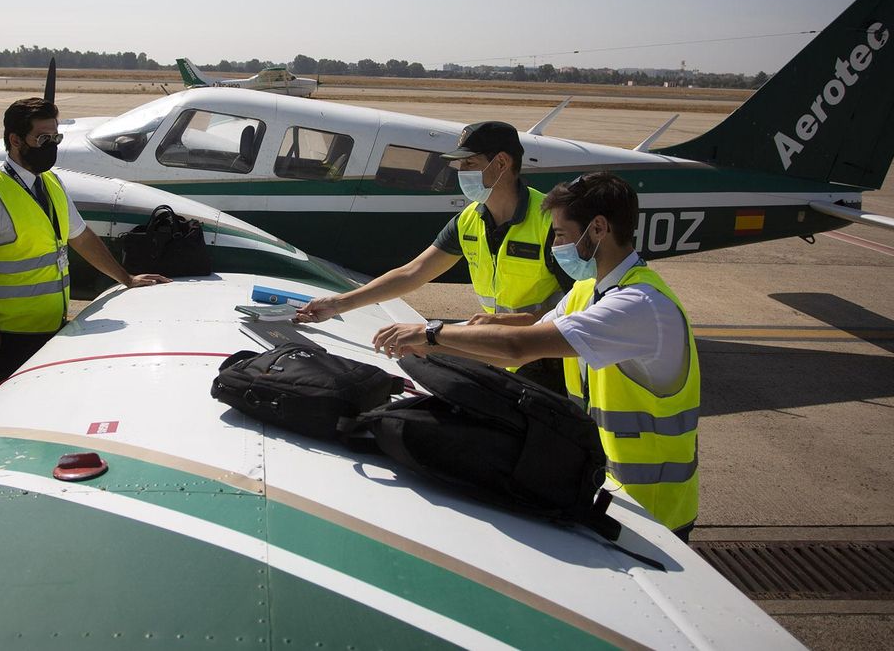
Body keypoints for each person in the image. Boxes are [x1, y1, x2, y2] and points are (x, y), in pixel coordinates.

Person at [371, 172, 700, 541]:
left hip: (655, 509)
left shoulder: (639, 305)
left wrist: (431, 333)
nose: (556, 245)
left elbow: (519, 346)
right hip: (607, 494)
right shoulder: (588, 292)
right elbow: (512, 349)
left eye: (560, 235)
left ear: (598, 229)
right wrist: (432, 348)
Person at [296, 121, 567, 365]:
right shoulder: (468, 220)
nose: (461, 173)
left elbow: (581, 304)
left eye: (469, 164)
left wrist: (517, 322)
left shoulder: (552, 223)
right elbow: (412, 273)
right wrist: (338, 304)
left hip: (547, 353)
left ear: (501, 164)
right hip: (500, 345)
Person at [0, 97, 169, 392]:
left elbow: (82, 238)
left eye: (56, 137)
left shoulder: (51, 183)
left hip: (50, 330)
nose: (51, 145)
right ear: (15, 140)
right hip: (10, 337)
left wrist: (126, 278)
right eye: (42, 138)